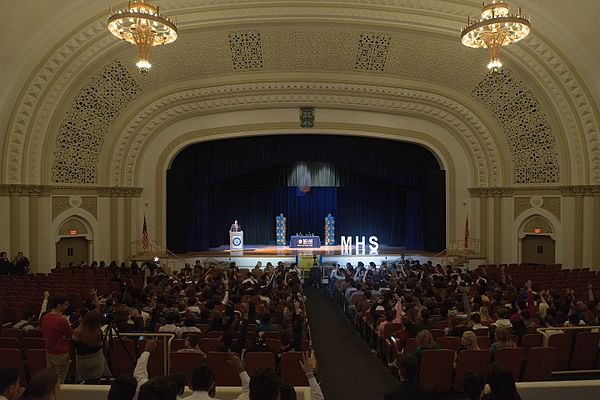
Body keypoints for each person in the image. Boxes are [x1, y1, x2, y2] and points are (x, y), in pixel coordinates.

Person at [71, 310, 111, 383]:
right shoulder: (98, 332)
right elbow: (103, 344)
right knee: (95, 382)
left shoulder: (76, 333)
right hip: (96, 360)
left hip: (82, 361)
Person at [41, 294, 72, 383]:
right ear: (59, 305)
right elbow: (71, 334)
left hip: (49, 351)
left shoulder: (45, 317)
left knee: (51, 379)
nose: (67, 307)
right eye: (65, 304)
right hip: (60, 353)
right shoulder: (61, 320)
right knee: (59, 380)